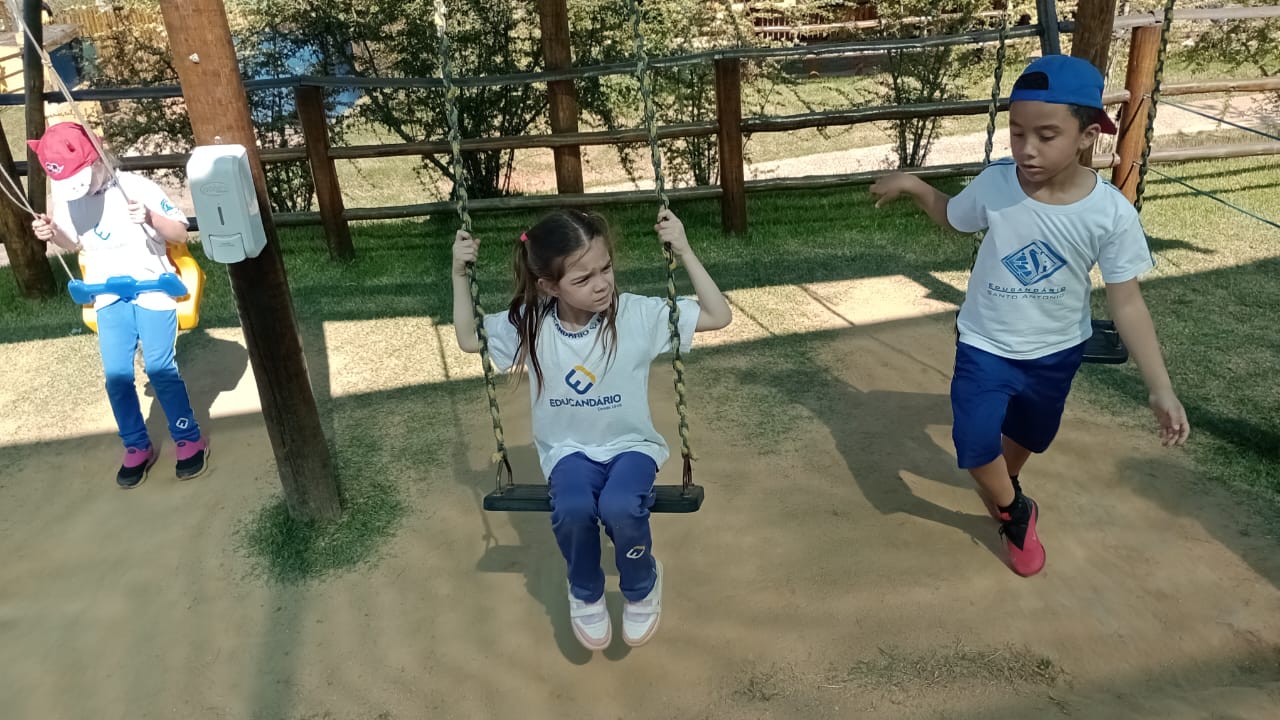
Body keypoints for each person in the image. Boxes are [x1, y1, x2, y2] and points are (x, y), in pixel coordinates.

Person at [869, 55, 1189, 577]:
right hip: (984, 344)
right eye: (1017, 133)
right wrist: (914, 185)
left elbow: (1128, 302)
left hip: (1055, 353)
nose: (1027, 149)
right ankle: (1016, 512)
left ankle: (1004, 490)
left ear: (1087, 135)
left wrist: (1160, 387)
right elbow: (954, 217)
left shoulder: (1109, 213)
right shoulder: (997, 184)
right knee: (975, 447)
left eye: (1046, 135)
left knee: (1028, 437)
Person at [451, 208, 732, 649]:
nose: (601, 284)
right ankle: (585, 591)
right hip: (569, 450)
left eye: (606, 268)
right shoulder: (531, 322)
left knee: (620, 506)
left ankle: (641, 585)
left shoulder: (636, 314)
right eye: (583, 279)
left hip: (631, 446)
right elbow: (470, 340)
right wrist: (458, 274)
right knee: (574, 508)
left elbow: (719, 315)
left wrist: (684, 249)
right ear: (549, 286)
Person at [30, 122, 209, 488]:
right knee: (117, 376)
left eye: (83, 178)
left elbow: (180, 232)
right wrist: (53, 232)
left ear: (98, 159)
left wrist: (151, 218)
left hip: (152, 287)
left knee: (159, 367)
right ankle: (136, 444)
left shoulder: (136, 187)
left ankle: (188, 437)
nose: (80, 189)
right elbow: (73, 242)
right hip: (107, 293)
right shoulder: (67, 196)